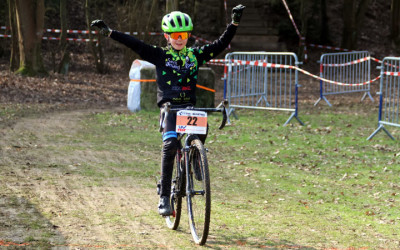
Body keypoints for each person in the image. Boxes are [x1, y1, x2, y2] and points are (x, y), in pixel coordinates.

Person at [91, 4, 245, 216]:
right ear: (167, 36)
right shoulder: (160, 55)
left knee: (202, 126)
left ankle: (195, 158)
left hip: (188, 107)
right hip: (169, 108)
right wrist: (110, 33)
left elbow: (221, 44)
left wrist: (234, 23)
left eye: (182, 35)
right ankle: (164, 195)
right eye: (174, 35)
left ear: (188, 35)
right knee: (171, 144)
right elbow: (135, 44)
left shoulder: (195, 55)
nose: (179, 39)